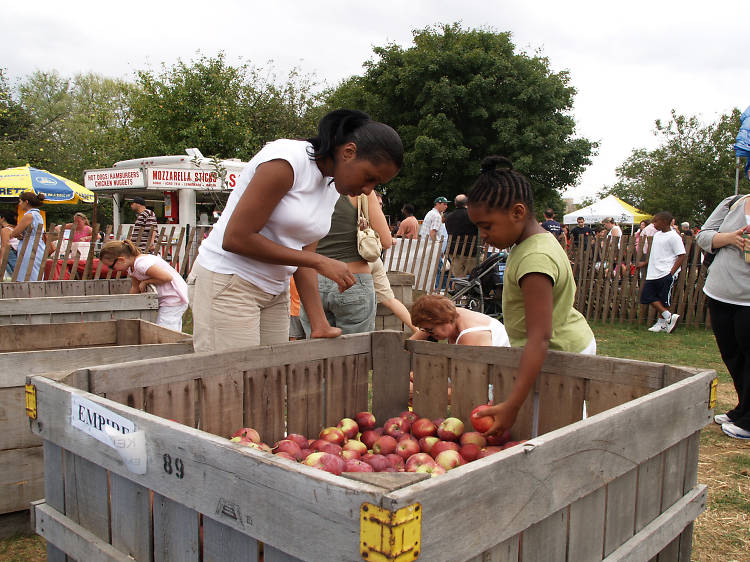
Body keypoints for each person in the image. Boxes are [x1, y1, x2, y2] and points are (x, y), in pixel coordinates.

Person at [188, 109, 403, 352]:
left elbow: (303, 257)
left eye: (376, 184)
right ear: (348, 152)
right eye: (369, 177)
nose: (368, 190)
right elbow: (236, 238)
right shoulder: (286, 162)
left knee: (271, 380)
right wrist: (319, 261)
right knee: (231, 383)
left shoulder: (331, 186)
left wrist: (319, 323)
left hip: (273, 290)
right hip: (229, 281)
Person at [465, 156, 595, 436]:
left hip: (558, 354)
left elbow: (540, 337)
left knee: (554, 433)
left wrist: (512, 405)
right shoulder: (530, 244)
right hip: (554, 349)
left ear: (517, 212)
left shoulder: (535, 258)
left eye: (487, 226)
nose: (483, 235)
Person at [299, 189, 393, 335]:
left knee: (317, 352)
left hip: (312, 280)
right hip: (354, 278)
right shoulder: (362, 191)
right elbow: (386, 241)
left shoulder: (310, 187)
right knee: (356, 352)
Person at [696, 193, 750, 440]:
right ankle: (743, 408)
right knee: (732, 355)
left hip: (747, 299)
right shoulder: (734, 202)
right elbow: (703, 236)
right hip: (720, 293)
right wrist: (729, 238)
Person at [100, 239, 188, 331]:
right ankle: (175, 343)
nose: (111, 269)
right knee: (170, 326)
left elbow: (166, 277)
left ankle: (167, 344)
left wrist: (146, 282)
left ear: (121, 260)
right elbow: (135, 287)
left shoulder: (141, 264)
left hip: (174, 296)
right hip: (167, 298)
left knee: (165, 328)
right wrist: (128, 305)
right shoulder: (132, 268)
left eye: (111, 266)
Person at [637, 211, 685, 333]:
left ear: (664, 222)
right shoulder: (657, 235)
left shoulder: (674, 237)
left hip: (666, 272)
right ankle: (668, 317)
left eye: (656, 221)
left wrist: (671, 273)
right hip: (653, 272)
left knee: (663, 299)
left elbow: (681, 256)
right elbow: (655, 253)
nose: (653, 223)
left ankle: (661, 324)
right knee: (646, 296)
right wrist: (645, 263)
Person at [409, 294, 510, 346]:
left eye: (430, 330)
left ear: (444, 320)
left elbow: (468, 378)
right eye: (425, 330)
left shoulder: (470, 335)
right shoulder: (449, 314)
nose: (427, 334)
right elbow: (407, 346)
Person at [3, 192, 46, 281]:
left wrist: (17, 234)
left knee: (28, 272)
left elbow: (14, 233)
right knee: (36, 271)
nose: (19, 204)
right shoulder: (38, 215)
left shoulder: (28, 216)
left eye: (20, 201)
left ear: (26, 202)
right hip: (38, 244)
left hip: (29, 245)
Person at [445, 194, 478, 278]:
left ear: (455, 204)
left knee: (458, 276)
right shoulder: (472, 215)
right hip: (471, 250)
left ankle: (459, 290)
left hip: (454, 250)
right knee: (473, 276)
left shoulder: (448, 217)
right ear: (467, 203)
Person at [0, 210, 19, 278]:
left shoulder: (5, 230)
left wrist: (1, 260)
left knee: (14, 275)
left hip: (10, 253)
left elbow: (4, 246)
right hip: (17, 252)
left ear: (3, 218)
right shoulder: (14, 228)